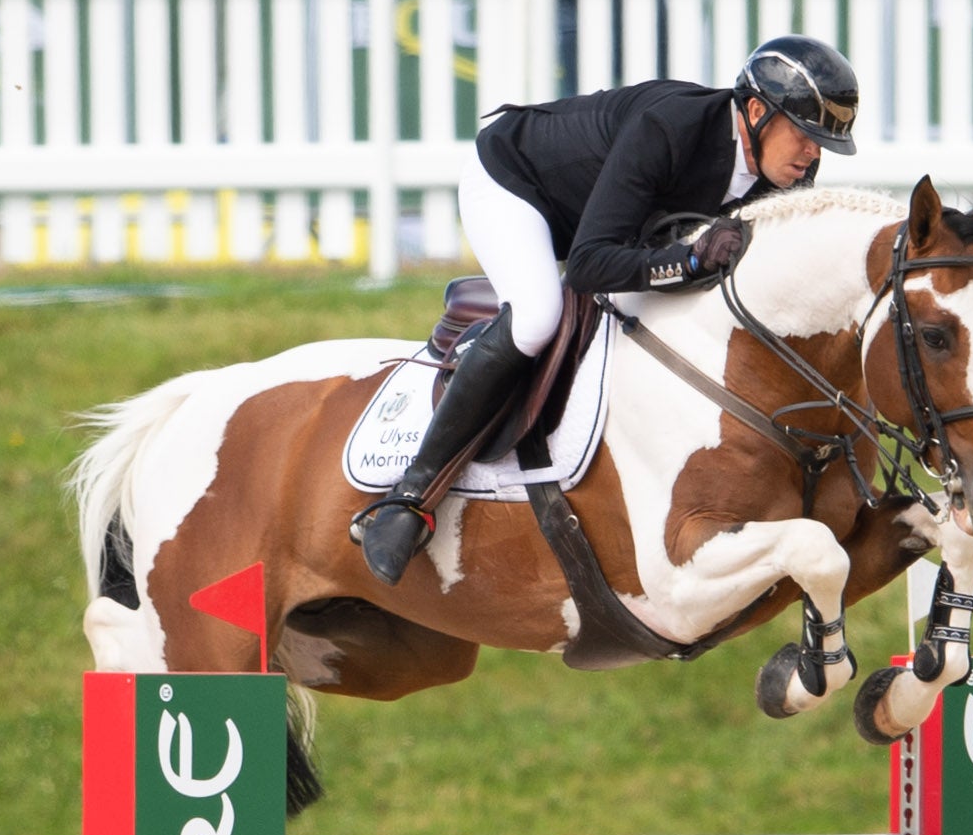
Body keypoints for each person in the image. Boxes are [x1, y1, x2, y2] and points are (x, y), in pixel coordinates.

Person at [351, 36, 858, 588]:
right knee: (537, 316)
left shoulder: (785, 173)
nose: (813, 155)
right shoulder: (670, 129)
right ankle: (410, 496)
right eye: (804, 135)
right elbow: (589, 267)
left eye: (822, 143)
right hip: (515, 183)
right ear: (757, 112)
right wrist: (689, 261)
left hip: (608, 219)